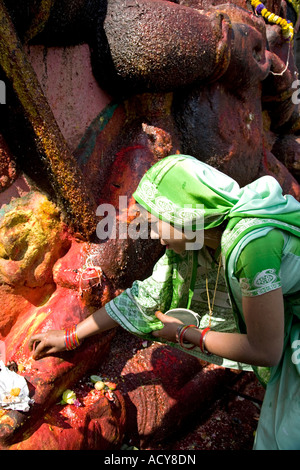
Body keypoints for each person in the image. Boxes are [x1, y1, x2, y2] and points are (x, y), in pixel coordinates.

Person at [29, 154, 300, 450]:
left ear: (185, 215)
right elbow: (142, 297)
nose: (155, 236)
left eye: (156, 223)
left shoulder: (252, 247)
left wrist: (188, 336)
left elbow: (266, 349)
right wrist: (71, 337)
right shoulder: (201, 241)